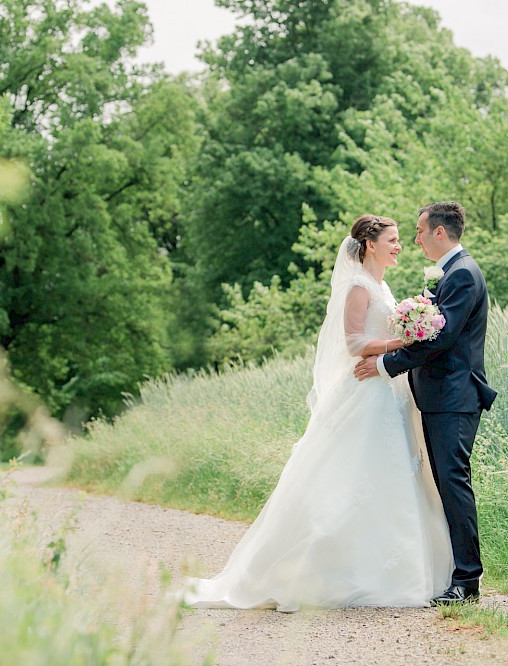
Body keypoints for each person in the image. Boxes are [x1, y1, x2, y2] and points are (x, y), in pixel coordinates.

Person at [183, 215, 453, 612]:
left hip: (389, 390)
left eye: (399, 239)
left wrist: (402, 342)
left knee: (391, 475)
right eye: (392, 240)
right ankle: (328, 571)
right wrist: (403, 339)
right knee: (351, 477)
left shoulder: (383, 285)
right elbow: (354, 341)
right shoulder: (359, 287)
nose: (399, 246)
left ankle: (395, 568)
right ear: (369, 245)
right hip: (365, 392)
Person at [354, 202, 497, 606]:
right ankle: (456, 572)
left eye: (418, 231)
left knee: (453, 483)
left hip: (454, 397)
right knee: (445, 484)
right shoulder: (448, 273)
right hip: (438, 398)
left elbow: (441, 339)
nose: (414, 239)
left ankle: (468, 581)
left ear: (439, 232)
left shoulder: (463, 275)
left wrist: (385, 364)